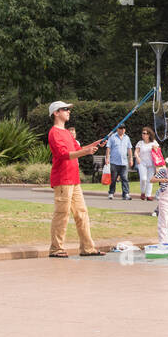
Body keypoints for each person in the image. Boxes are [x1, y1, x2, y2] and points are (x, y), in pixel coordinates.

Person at [47, 101, 105, 258]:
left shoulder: (66, 133)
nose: (68, 111)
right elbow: (64, 155)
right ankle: (56, 249)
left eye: (68, 109)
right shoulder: (54, 133)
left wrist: (96, 143)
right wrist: (86, 152)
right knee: (62, 213)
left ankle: (87, 248)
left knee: (82, 213)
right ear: (56, 113)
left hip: (74, 179)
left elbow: (78, 150)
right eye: (64, 109)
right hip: (62, 179)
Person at [106, 124, 132, 200]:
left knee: (124, 178)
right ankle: (111, 193)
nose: (122, 130)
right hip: (114, 162)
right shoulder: (112, 137)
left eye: (124, 128)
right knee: (113, 179)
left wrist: (131, 159)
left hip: (124, 162)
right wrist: (107, 158)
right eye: (121, 128)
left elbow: (129, 149)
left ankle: (126, 194)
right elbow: (108, 148)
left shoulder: (127, 138)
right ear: (117, 129)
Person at [133, 126, 159, 201]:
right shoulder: (140, 143)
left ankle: (148, 195)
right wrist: (137, 157)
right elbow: (136, 151)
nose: (143, 135)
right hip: (142, 163)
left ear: (149, 134)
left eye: (145, 133)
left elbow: (158, 153)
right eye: (143, 133)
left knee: (150, 179)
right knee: (143, 178)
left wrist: (155, 148)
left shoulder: (154, 142)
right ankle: (143, 192)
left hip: (151, 164)